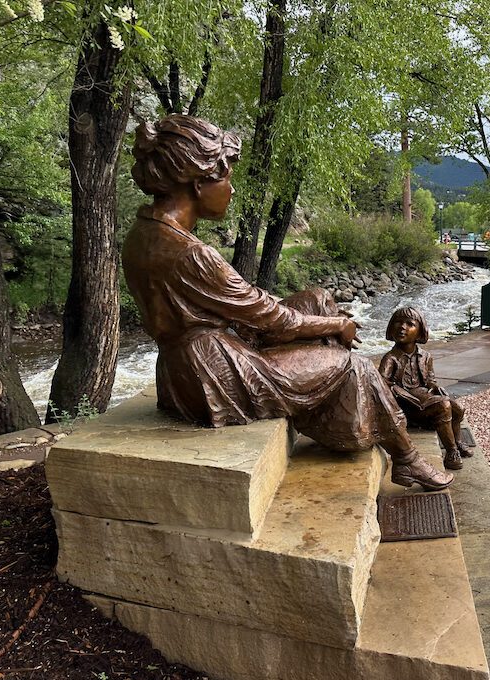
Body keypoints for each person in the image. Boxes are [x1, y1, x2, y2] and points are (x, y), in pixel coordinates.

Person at [121, 114, 452, 491]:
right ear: (199, 183)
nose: (231, 190)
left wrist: (321, 319)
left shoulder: (145, 232)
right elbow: (274, 319)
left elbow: (249, 306)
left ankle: (332, 404)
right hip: (217, 373)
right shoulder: (190, 255)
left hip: (185, 366)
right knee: (353, 364)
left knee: (317, 299)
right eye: (227, 178)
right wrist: (336, 327)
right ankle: (405, 458)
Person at [379, 308, 474, 471]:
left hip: (424, 397)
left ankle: (457, 442)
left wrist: (434, 386)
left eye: (410, 324)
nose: (402, 327)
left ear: (420, 331)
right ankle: (451, 453)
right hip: (407, 404)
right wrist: (397, 390)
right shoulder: (391, 358)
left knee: (457, 409)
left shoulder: (426, 356)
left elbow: (429, 378)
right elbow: (381, 383)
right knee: (444, 407)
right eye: (398, 323)